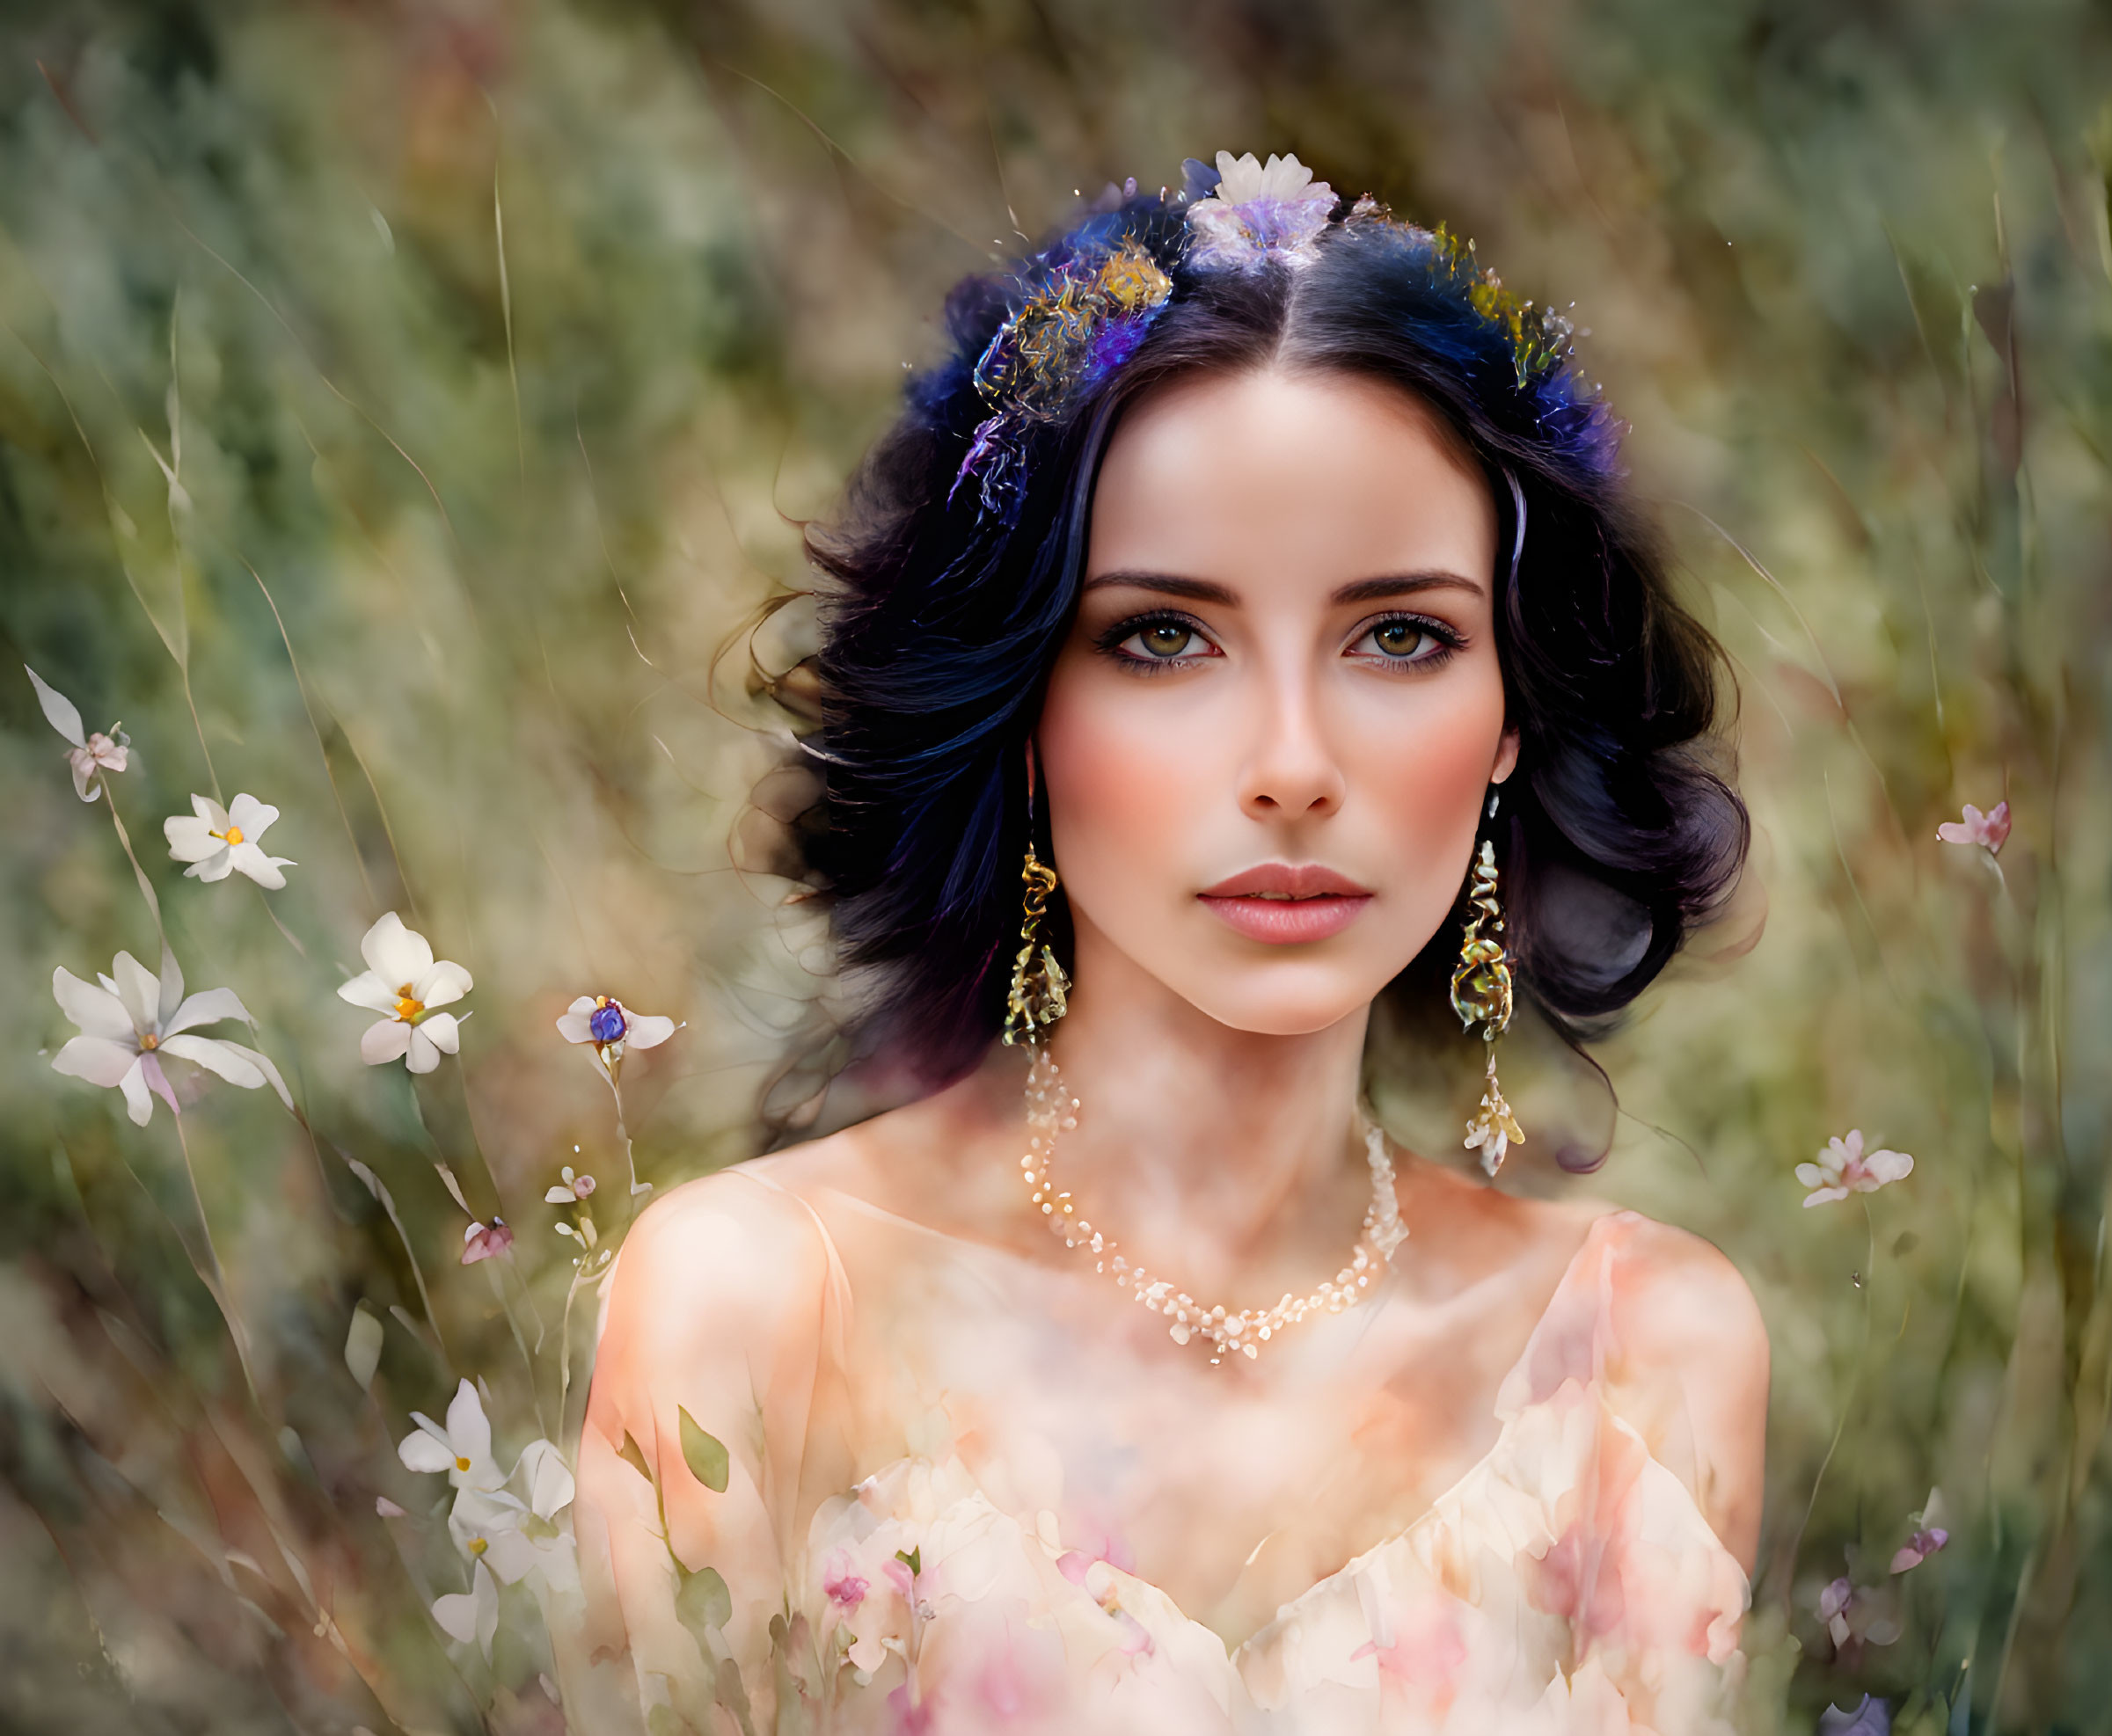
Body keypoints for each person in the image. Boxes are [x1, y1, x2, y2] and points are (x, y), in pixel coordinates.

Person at [572, 151, 1770, 1735]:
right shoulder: (761, 1301)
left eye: (1399, 635)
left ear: (1507, 718)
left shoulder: (1637, 1344)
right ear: (1025, 714)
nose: (1291, 760)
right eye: (1163, 637)